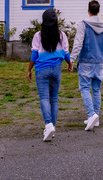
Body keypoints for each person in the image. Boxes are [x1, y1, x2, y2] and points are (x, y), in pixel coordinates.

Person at [26, 8, 72, 141]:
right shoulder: (62, 35)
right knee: (54, 99)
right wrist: (69, 63)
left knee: (44, 98)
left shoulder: (38, 36)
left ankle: (48, 125)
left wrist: (29, 69)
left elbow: (35, 54)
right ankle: (52, 126)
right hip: (57, 69)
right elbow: (65, 53)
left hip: (41, 70)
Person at [70, 0, 103, 131]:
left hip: (86, 61)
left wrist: (72, 58)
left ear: (88, 10)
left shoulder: (84, 24)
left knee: (85, 89)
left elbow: (78, 43)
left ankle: (91, 115)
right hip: (98, 62)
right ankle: (95, 118)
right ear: (98, 11)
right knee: (96, 90)